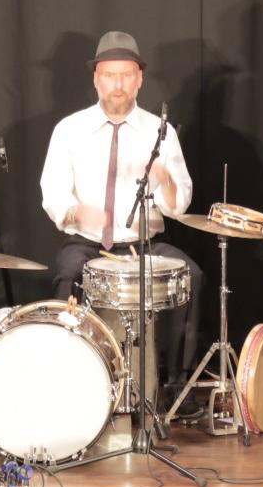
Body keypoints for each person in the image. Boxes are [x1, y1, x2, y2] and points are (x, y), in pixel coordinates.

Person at [39, 31, 203, 397]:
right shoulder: (69, 130)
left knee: (190, 275)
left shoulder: (160, 131)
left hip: (144, 245)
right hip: (87, 243)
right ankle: (69, 378)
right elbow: (53, 192)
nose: (118, 84)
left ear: (139, 79)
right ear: (96, 78)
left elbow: (179, 204)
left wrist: (164, 180)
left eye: (126, 75)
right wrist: (77, 212)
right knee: (68, 273)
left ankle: (176, 387)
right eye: (110, 75)